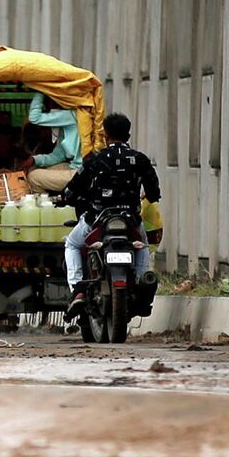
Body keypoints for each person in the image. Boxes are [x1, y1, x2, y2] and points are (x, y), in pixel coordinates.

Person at [61, 113, 161, 318]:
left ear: (105, 134)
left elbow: (73, 189)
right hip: (130, 220)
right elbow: (154, 192)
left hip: (97, 219)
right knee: (142, 243)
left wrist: (66, 198)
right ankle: (142, 281)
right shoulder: (140, 159)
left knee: (71, 244)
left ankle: (78, 290)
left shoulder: (94, 159)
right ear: (128, 134)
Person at [20, 92, 83, 191]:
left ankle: (43, 204)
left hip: (82, 171)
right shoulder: (69, 120)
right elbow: (58, 155)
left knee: (34, 177)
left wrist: (40, 91)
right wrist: (35, 159)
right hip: (74, 166)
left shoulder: (70, 115)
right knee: (34, 170)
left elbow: (34, 118)